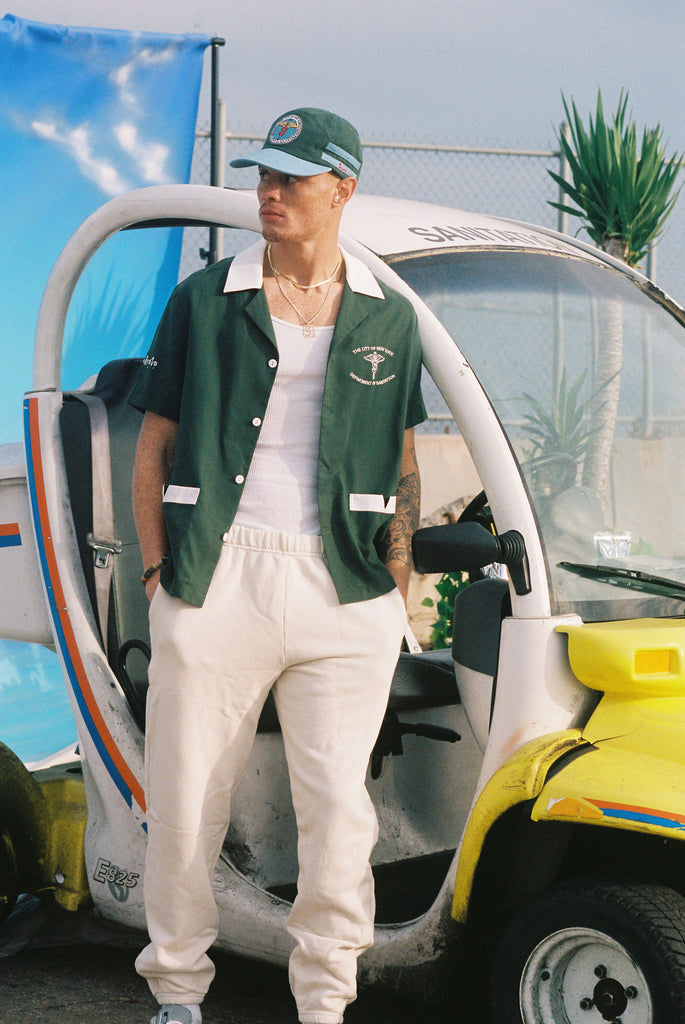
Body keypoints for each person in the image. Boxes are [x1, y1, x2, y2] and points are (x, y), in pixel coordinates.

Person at [130, 107, 426, 1024]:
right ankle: (177, 990)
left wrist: (398, 581)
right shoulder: (203, 300)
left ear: (341, 190)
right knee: (186, 805)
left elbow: (403, 456)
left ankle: (324, 1004)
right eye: (261, 175)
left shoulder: (389, 314)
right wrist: (155, 574)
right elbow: (153, 447)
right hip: (217, 578)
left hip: (344, 592)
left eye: (290, 179)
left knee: (339, 813)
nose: (268, 192)